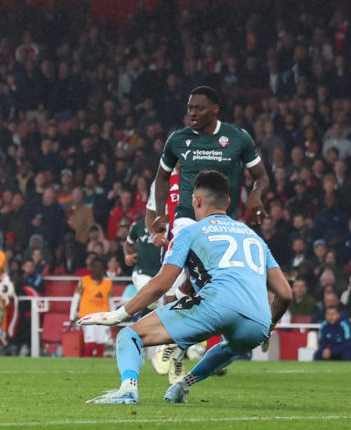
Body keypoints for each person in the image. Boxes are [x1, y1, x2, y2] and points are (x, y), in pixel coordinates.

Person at [81, 170, 292, 404]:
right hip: (258, 320)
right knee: (229, 348)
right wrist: (269, 324)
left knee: (129, 334)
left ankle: (128, 389)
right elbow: (285, 293)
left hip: (216, 306)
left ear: (197, 200)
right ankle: (182, 386)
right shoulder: (255, 239)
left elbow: (163, 282)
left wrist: (119, 314)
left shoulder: (190, 231)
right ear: (228, 202)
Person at [150, 86, 269, 377]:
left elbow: (262, 176)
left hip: (224, 223)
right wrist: (163, 211)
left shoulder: (237, 138)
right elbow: (161, 177)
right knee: (183, 275)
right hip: (187, 219)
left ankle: (177, 347)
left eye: (198, 108)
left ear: (214, 109)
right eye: (189, 107)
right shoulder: (177, 140)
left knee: (204, 285)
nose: (191, 113)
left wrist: (256, 195)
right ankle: (172, 341)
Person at [70, 256, 113, 357]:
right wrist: (72, 317)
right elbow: (76, 299)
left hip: (103, 317)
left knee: (101, 344)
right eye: (95, 267)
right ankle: (86, 365)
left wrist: (115, 317)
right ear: (91, 268)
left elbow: (111, 302)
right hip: (88, 317)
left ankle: (98, 368)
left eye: (100, 267)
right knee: (91, 343)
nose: (97, 269)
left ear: (103, 268)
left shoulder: (108, 283)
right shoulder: (83, 281)